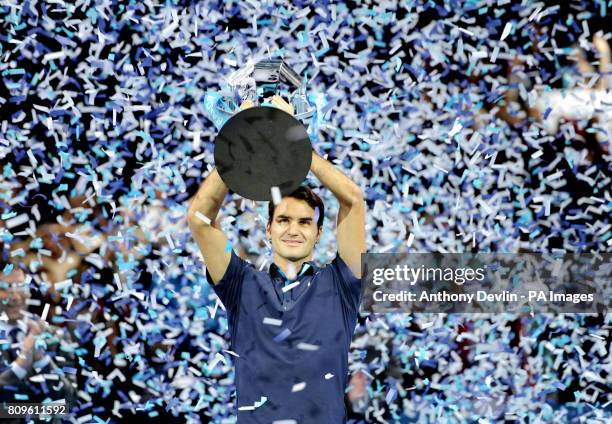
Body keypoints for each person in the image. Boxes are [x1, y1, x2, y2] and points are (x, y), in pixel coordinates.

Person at [187, 98, 365, 423]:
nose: (293, 230)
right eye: (283, 220)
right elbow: (199, 218)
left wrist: (289, 137)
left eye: (304, 222)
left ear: (319, 232)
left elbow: (352, 199)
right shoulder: (240, 284)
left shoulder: (342, 283)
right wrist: (242, 137)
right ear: (268, 229)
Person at [0, 265, 77, 423]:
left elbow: (68, 403)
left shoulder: (56, 336)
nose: (14, 296)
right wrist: (21, 364)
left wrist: (41, 358)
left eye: (20, 286)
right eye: (5, 288)